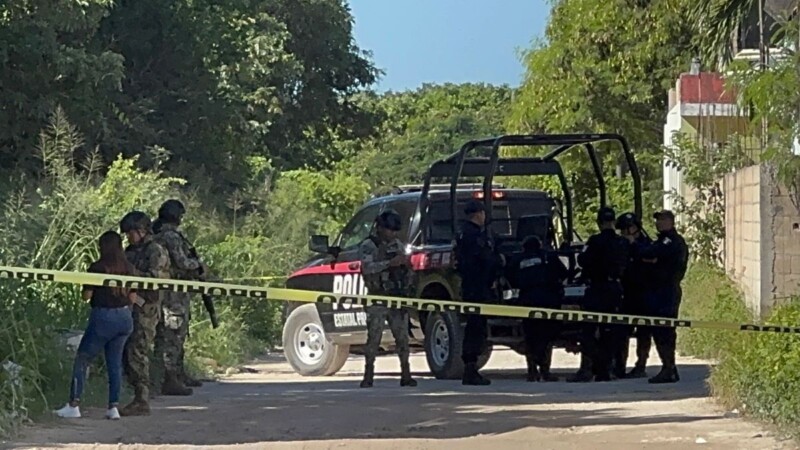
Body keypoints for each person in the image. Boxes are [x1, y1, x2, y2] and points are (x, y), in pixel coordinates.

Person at [55, 231, 136, 420]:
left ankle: (74, 404)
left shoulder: (98, 267)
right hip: (125, 318)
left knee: (83, 359)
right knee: (114, 364)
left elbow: (87, 296)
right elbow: (133, 297)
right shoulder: (130, 268)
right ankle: (113, 407)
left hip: (103, 317)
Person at [118, 211, 171, 415]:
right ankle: (135, 394)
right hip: (129, 305)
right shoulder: (131, 250)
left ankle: (142, 398)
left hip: (146, 307)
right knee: (128, 352)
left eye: (131, 232)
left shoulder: (155, 250)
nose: (128, 237)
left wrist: (131, 272)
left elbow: (155, 279)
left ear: (142, 230)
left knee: (137, 350)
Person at [568, 207, 628, 383]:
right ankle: (606, 370)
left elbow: (582, 260)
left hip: (597, 289)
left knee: (589, 331)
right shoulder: (621, 242)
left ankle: (590, 368)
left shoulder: (594, 241)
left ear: (599, 223)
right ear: (614, 222)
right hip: (615, 289)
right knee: (610, 331)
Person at [357, 210, 417, 388]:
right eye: (390, 230)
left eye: (395, 231)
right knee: (373, 339)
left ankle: (406, 374)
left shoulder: (397, 244)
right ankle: (368, 375)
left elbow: (406, 267)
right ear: (380, 228)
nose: (393, 234)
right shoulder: (369, 246)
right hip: (378, 297)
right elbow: (367, 268)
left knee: (402, 338)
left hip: (396, 296)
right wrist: (389, 264)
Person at [153, 199, 204, 395]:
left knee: (178, 333)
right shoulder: (170, 237)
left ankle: (178, 374)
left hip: (174, 291)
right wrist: (198, 266)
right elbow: (181, 263)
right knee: (172, 332)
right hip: (172, 293)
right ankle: (170, 378)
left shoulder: (162, 234)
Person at [506, 235, 568, 382]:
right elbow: (563, 272)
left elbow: (509, 277)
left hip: (527, 300)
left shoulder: (517, 259)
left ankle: (532, 371)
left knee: (530, 336)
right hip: (549, 300)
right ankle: (545, 371)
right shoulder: (548, 256)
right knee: (547, 337)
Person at [455, 200, 504, 386]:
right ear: (478, 214)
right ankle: (470, 368)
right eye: (483, 213)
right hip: (477, 287)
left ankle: (471, 367)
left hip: (470, 285)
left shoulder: (463, 233)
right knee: (476, 327)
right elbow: (484, 259)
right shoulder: (474, 235)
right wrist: (498, 262)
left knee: (475, 326)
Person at [641, 210, 689, 384]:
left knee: (665, 330)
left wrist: (651, 258)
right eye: (658, 220)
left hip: (667, 290)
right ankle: (669, 367)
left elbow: (651, 253)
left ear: (670, 222)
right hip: (659, 290)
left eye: (662, 220)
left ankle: (669, 368)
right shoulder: (663, 240)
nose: (659, 223)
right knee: (659, 330)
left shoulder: (672, 241)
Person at [613, 212, 654, 379]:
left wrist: (635, 246)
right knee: (621, 331)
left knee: (644, 332)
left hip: (644, 293)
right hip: (626, 293)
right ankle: (619, 366)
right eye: (622, 230)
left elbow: (650, 260)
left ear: (636, 228)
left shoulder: (647, 245)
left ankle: (641, 364)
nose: (624, 232)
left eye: (627, 228)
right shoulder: (621, 246)